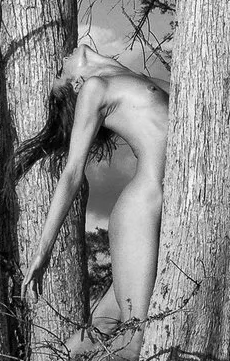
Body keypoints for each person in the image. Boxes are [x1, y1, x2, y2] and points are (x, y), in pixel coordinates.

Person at [24, 33, 171, 340]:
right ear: (76, 84)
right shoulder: (94, 87)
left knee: (102, 326)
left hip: (170, 208)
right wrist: (43, 251)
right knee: (136, 341)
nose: (61, 62)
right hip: (143, 206)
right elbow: (72, 174)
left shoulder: (129, 78)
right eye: (59, 74)